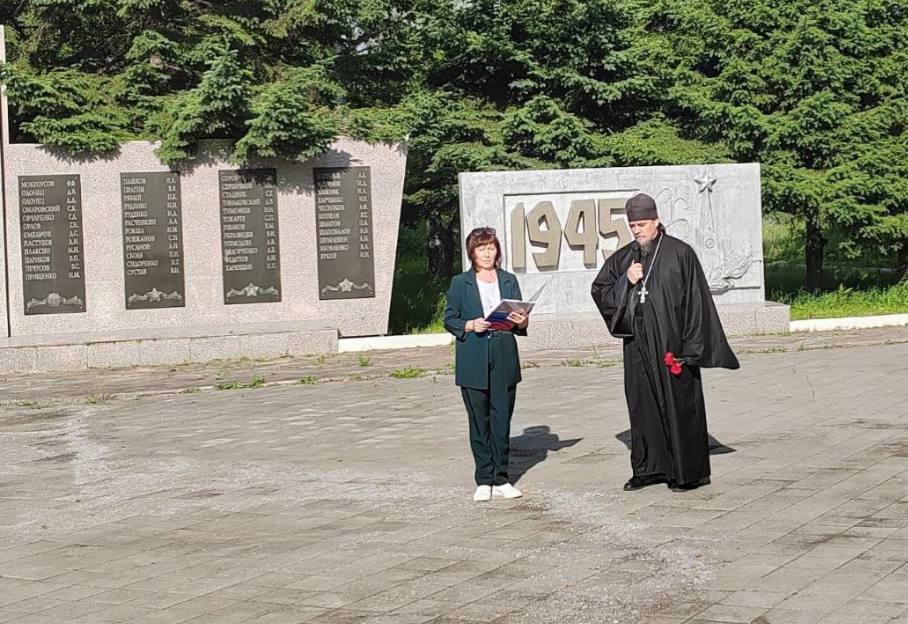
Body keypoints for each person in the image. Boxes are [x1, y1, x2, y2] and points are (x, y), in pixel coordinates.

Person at [590, 194, 739, 492]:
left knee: (680, 406)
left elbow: (697, 302)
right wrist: (625, 281)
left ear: (656, 221)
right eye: (632, 225)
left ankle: (688, 473)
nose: (637, 230)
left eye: (642, 224)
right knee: (642, 406)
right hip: (637, 345)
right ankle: (648, 469)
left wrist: (691, 349)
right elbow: (599, 289)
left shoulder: (680, 253)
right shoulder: (624, 258)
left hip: (673, 345)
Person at [444, 227, 530, 502]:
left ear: (498, 251)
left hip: (503, 350)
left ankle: (502, 477)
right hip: (474, 353)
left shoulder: (508, 280)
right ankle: (483, 478)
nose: (487, 253)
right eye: (481, 248)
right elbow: (450, 318)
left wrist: (522, 320)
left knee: (501, 418)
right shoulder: (461, 282)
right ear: (472, 252)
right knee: (478, 420)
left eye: (491, 248)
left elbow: (521, 320)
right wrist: (469, 324)